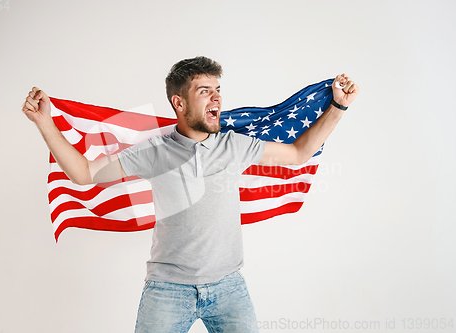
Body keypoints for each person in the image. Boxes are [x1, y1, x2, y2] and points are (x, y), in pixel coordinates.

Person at [22, 56, 359, 332]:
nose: (217, 98)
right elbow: (83, 173)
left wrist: (338, 108)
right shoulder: (153, 151)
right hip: (167, 290)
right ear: (179, 103)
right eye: (204, 91)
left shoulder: (234, 145)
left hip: (229, 287)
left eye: (218, 90)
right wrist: (44, 122)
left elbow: (299, 153)